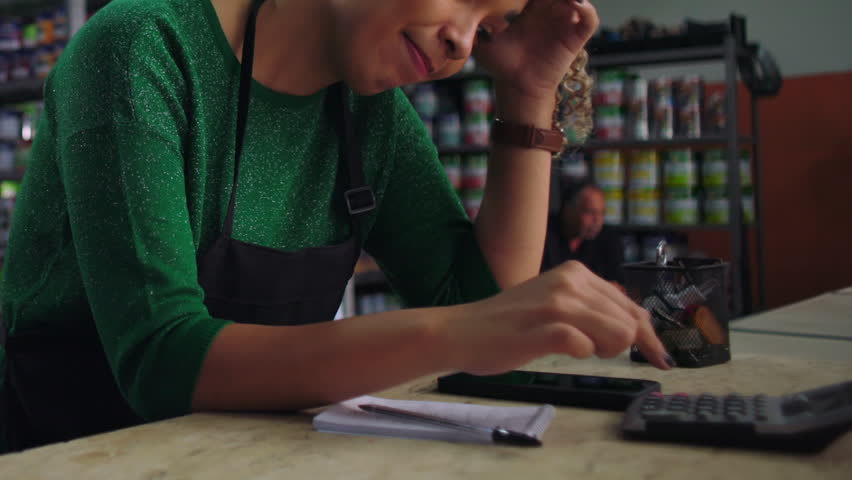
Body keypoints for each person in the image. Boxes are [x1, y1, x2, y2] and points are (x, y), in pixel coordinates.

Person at [0, 0, 671, 452]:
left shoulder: (369, 117)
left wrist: (528, 89)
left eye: (489, 24)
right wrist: (467, 330)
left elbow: (479, 315)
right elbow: (163, 362)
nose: (463, 42)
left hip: (230, 457)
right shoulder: (141, 47)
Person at [542, 179, 626, 288]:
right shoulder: (544, 235)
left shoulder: (609, 238)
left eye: (602, 213)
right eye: (590, 212)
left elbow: (619, 286)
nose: (597, 220)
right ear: (568, 210)